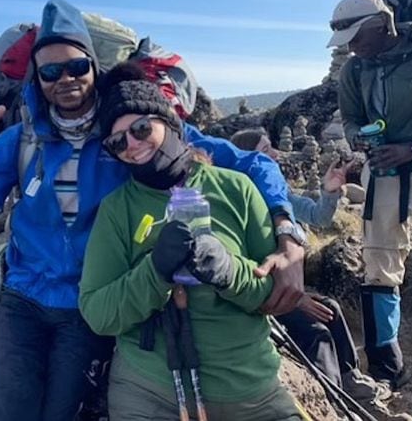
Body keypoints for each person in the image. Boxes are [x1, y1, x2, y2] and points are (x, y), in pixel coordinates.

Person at [0, 0, 307, 421]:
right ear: (37, 79)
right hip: (25, 299)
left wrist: (288, 233)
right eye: (50, 71)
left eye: (77, 66)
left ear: (94, 67)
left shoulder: (130, 125)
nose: (65, 79)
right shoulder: (23, 140)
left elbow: (253, 164)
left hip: (88, 306)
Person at [79, 65, 301, 421]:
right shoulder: (117, 209)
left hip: (249, 390)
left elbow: (275, 293)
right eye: (118, 142)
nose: (132, 145)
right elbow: (98, 312)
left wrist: (229, 269)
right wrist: (153, 272)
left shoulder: (235, 189)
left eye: (140, 129)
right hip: (150, 391)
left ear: (167, 122)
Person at [231, 128, 408, 419]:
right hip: (262, 297)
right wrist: (298, 301)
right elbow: (248, 269)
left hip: (290, 290)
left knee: (332, 309)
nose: (275, 154)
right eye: (265, 151)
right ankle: (332, 402)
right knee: (317, 333)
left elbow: (319, 217)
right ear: (247, 162)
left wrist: (329, 190)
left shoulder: (279, 194)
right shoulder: (241, 203)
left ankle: (350, 380)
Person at [328, 0, 412, 389]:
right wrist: (357, 140)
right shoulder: (354, 70)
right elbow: (350, 119)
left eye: (356, 36)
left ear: (382, 25)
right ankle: (386, 364)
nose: (350, 47)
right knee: (378, 263)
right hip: (382, 175)